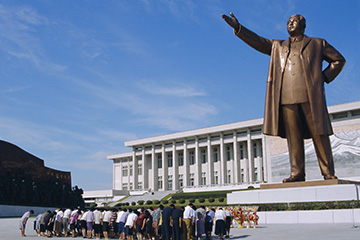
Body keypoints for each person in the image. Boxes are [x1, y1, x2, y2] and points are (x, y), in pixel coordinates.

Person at [222, 13, 346, 182]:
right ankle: (297, 172)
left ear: (303, 25)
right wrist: (239, 28)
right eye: (288, 22)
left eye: (293, 21)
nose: (289, 24)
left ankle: (327, 172)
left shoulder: (318, 43)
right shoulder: (277, 46)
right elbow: (259, 41)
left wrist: (322, 78)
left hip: (310, 95)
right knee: (293, 136)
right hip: (286, 96)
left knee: (319, 133)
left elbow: (338, 60)